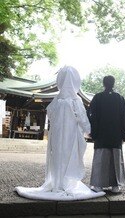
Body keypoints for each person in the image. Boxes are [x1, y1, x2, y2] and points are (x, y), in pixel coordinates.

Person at [15, 66, 105, 201]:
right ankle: (67, 183)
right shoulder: (76, 100)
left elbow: (50, 114)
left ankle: (57, 183)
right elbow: (82, 118)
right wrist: (89, 131)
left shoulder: (57, 99)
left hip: (57, 133)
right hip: (71, 134)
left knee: (57, 156)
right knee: (69, 156)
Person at [88, 75, 125, 193]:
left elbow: (91, 115)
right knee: (116, 160)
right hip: (116, 135)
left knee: (101, 159)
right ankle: (115, 186)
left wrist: (93, 133)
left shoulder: (98, 97)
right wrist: (123, 134)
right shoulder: (120, 98)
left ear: (104, 84)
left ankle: (98, 185)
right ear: (113, 84)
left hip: (101, 134)